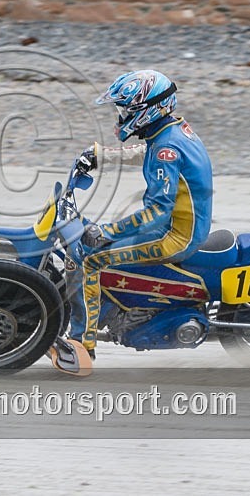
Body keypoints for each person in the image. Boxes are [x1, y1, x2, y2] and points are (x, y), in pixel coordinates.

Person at [48, 70, 214, 376]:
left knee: (88, 259)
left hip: (175, 236)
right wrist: (100, 156)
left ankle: (82, 345)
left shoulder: (167, 148)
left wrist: (105, 231)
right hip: (180, 226)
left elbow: (158, 212)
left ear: (147, 110)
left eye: (127, 110)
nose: (123, 116)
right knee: (94, 239)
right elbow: (146, 152)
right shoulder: (171, 131)